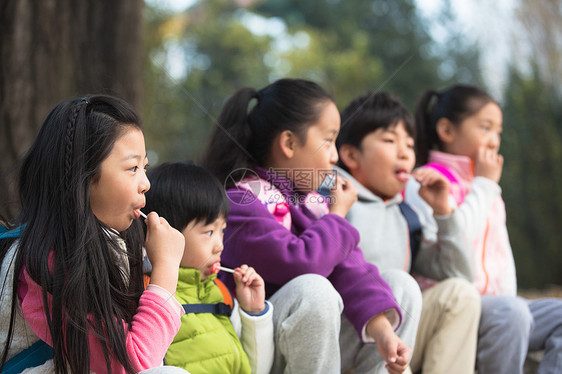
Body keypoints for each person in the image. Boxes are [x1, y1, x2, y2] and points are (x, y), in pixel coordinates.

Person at [201, 78, 411, 374]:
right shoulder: (241, 201)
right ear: (288, 143)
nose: (335, 156)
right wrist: (336, 216)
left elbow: (349, 268)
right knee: (313, 289)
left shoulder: (309, 202)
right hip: (255, 350)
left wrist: (383, 330)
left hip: (309, 344)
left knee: (401, 288)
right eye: (328, 140)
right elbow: (300, 263)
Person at [0, 95, 188, 374]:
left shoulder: (111, 242)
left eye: (145, 167)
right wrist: (166, 271)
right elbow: (131, 362)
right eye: (132, 168)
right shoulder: (54, 257)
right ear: (84, 178)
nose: (146, 183)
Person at [406, 83, 562, 374]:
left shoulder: (485, 187)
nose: (494, 140)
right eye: (485, 128)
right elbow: (457, 244)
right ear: (447, 131)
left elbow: (503, 257)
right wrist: (486, 185)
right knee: (512, 313)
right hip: (459, 307)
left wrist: (510, 298)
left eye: (498, 131)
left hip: (500, 309)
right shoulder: (426, 182)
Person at [336, 91, 480, 374]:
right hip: (341, 337)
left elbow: (460, 275)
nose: (405, 153)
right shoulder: (333, 200)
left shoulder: (408, 216)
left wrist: (443, 212)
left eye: (410, 145)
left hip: (392, 339)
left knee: (460, 295)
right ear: (351, 155)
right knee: (396, 283)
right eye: (390, 141)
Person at [143, 161, 274, 374]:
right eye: (209, 232)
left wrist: (254, 313)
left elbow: (255, 369)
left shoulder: (221, 295)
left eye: (222, 230)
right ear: (166, 233)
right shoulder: (149, 295)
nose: (220, 245)